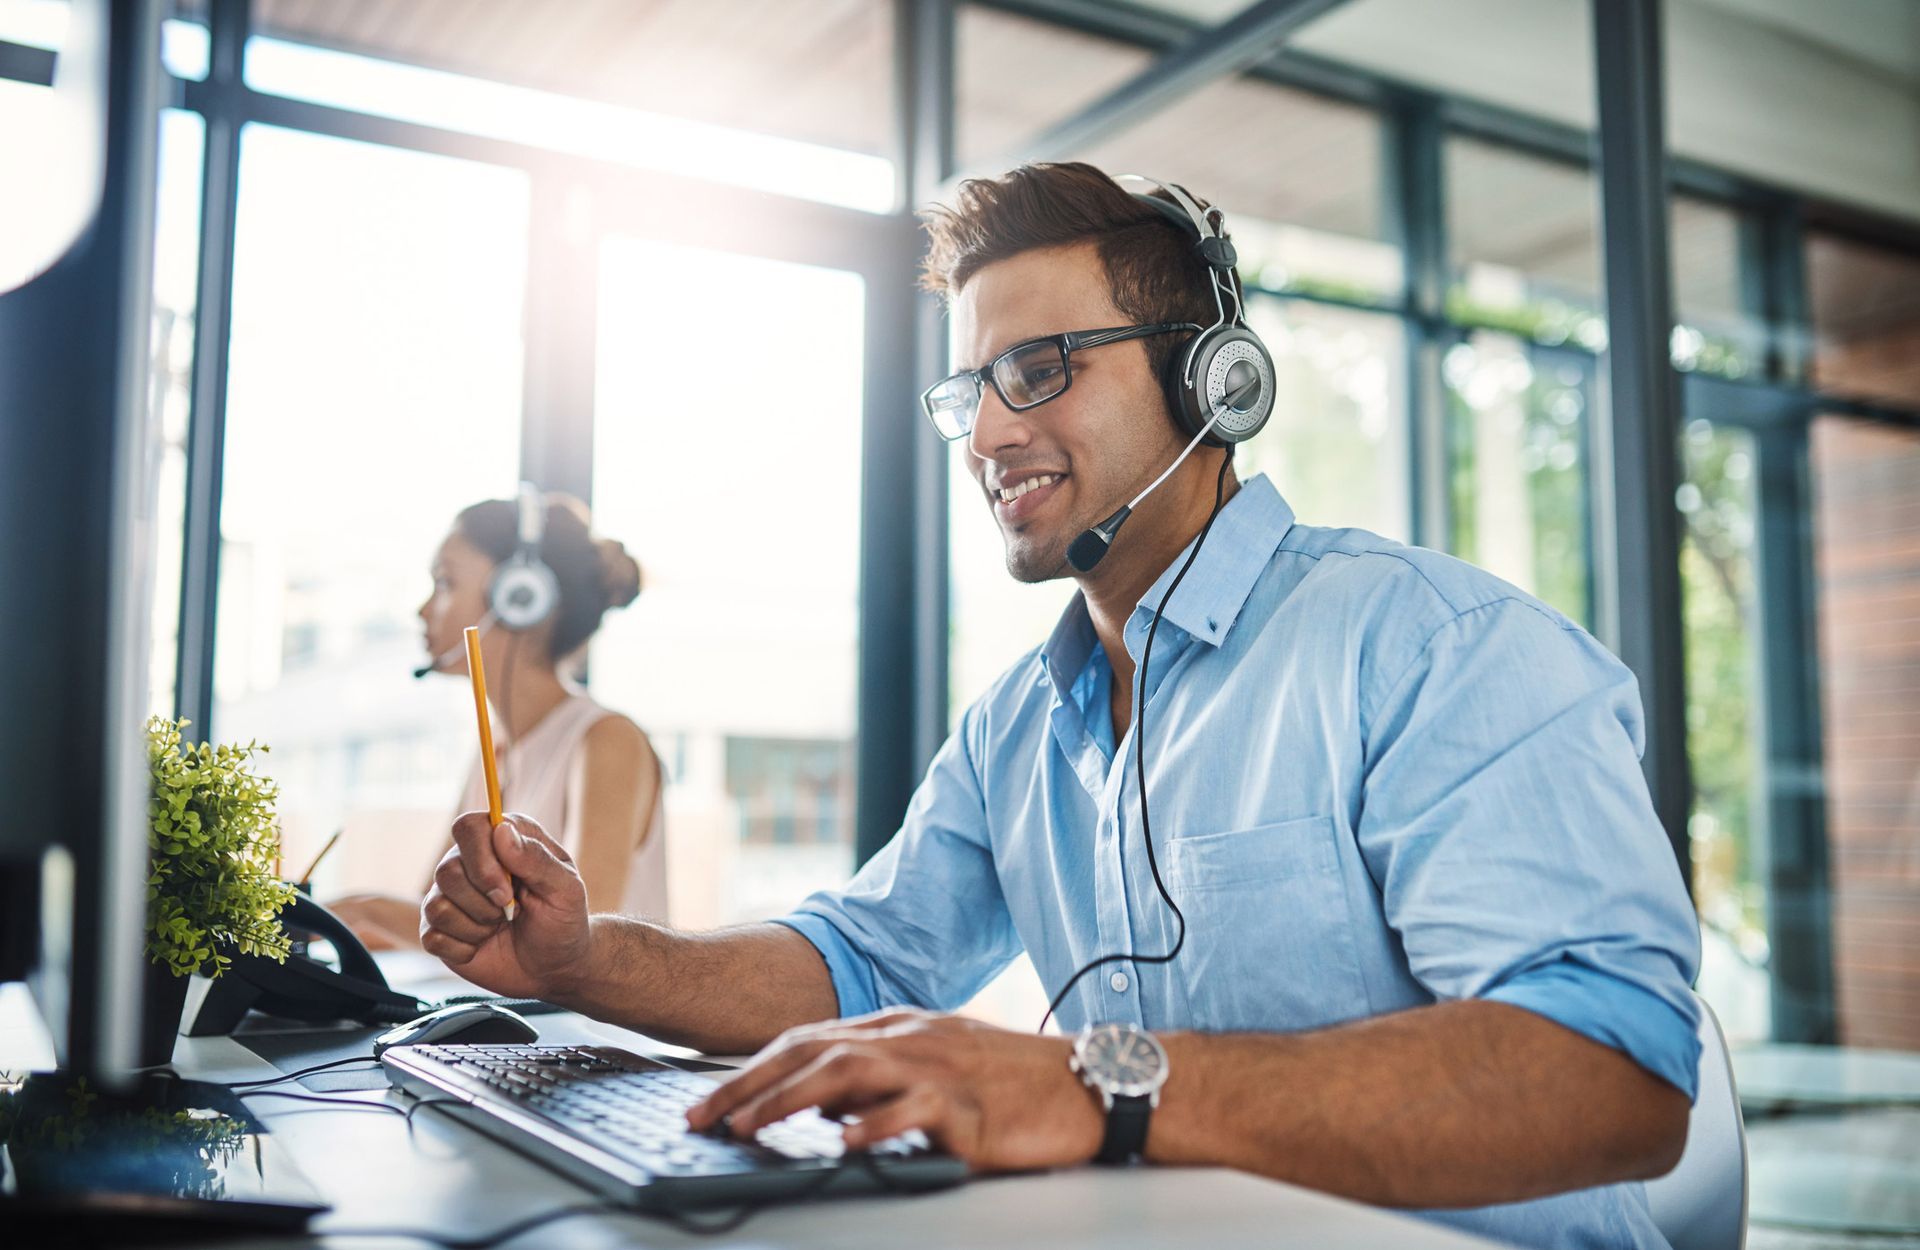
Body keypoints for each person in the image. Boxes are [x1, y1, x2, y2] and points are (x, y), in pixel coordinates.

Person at [417, 165, 1701, 1249]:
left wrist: (1093, 1083)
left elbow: (1611, 1072)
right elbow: (855, 960)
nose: (985, 433)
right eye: (969, 387)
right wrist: (589, 962)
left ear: (1213, 384)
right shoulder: (1019, 723)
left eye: (1037, 368)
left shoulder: (1436, 647)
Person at [330, 494, 666, 949]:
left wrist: (363, 910)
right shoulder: (497, 750)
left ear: (518, 597)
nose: (423, 610)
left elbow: (579, 940)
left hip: (587, 1023)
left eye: (445, 583)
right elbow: (436, 919)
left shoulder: (607, 741)